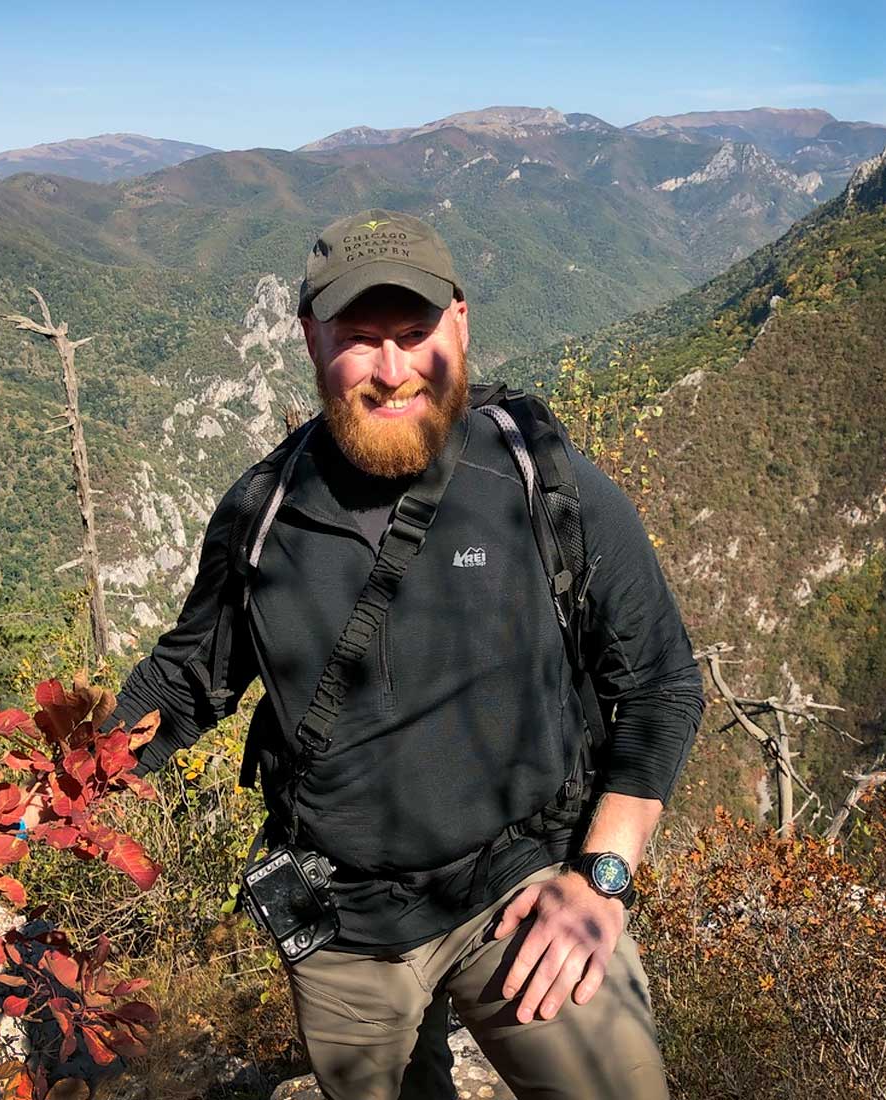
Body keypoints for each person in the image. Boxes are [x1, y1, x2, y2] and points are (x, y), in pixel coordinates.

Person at [103, 209, 706, 1100]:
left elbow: (662, 685)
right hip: (343, 927)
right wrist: (47, 794)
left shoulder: (541, 482)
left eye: (415, 335)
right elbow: (186, 682)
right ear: (310, 336)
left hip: (523, 892)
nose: (392, 372)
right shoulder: (263, 517)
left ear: (459, 324)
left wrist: (600, 878)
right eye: (360, 339)